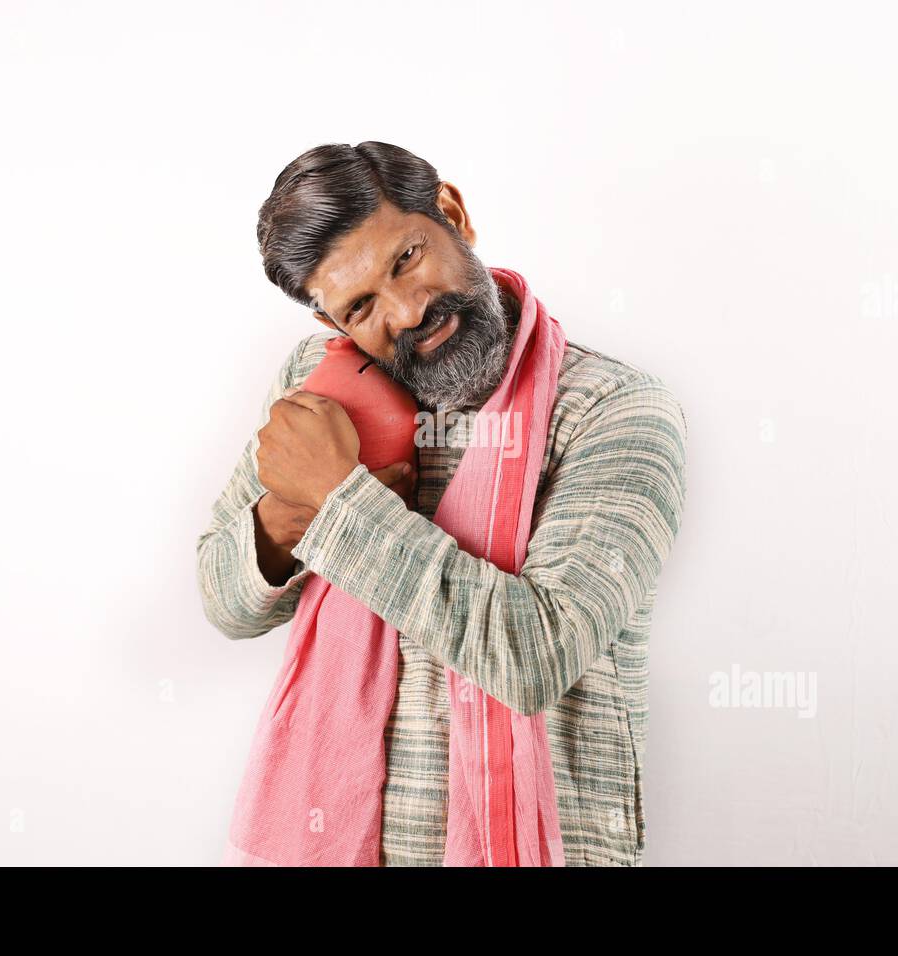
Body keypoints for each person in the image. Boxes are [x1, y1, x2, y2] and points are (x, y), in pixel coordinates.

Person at [197, 141, 687, 866]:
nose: (407, 310)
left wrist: (338, 501)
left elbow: (534, 656)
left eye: (406, 258)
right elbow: (224, 598)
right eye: (360, 306)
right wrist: (288, 515)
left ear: (452, 213)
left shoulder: (614, 413)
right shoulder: (321, 384)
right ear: (333, 326)